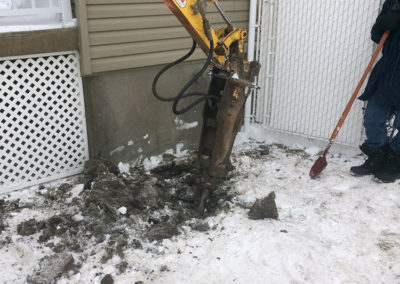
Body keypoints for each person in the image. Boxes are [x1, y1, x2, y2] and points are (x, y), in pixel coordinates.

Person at [351, 0, 400, 183]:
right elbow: (377, 35)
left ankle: (395, 159)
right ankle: (377, 156)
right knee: (373, 117)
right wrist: (384, 24)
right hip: (388, 71)